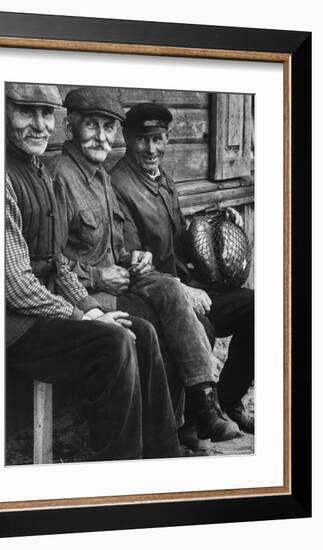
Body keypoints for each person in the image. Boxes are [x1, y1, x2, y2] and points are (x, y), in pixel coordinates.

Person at [5, 82, 188, 461]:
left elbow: (57, 262)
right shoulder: (0, 177)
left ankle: (163, 455)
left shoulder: (38, 171)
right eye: (27, 112)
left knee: (141, 331)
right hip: (12, 326)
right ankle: (119, 466)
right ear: (3, 113)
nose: (39, 125)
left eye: (45, 114)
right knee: (115, 341)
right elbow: (17, 287)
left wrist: (93, 308)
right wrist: (83, 314)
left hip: (46, 312)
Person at [50, 86, 241, 443]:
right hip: (87, 294)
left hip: (121, 278)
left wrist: (133, 257)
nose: (101, 136)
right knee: (173, 322)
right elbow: (51, 261)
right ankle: (170, 430)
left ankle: (202, 403)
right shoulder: (61, 176)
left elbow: (116, 245)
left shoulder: (102, 177)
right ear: (70, 129)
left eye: (108, 127)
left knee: (170, 289)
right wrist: (95, 275)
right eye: (91, 125)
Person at [110, 102, 254, 434]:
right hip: (157, 297)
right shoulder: (118, 186)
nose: (151, 148)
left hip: (189, 285)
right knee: (201, 326)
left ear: (167, 139)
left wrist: (218, 219)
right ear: (127, 137)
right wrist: (183, 290)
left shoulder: (163, 179)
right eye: (143, 139)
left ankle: (229, 402)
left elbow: (179, 236)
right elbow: (130, 259)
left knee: (257, 308)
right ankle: (193, 422)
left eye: (158, 139)